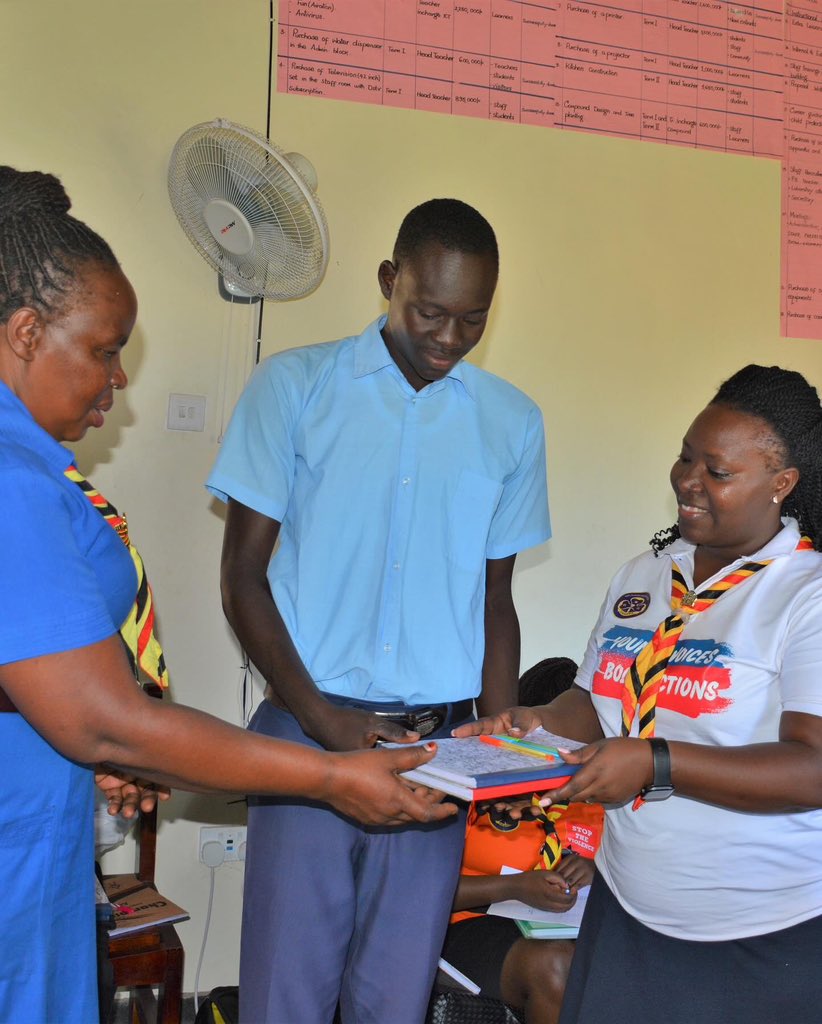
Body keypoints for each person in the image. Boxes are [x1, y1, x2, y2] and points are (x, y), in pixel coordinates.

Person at [0, 165, 458, 1024]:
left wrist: (102, 732)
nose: (118, 379)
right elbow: (104, 718)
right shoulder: (11, 479)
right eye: (103, 350)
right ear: (26, 332)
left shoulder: (30, 468)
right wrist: (329, 776)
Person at [206, 198, 551, 1024]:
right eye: (430, 311)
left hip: (437, 753)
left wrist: (501, 744)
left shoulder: (511, 423)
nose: (450, 337)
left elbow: (496, 600)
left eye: (473, 319)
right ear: (389, 280)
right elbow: (243, 579)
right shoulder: (295, 387)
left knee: (393, 1001)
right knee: (285, 997)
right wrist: (323, 721)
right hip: (304, 731)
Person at [456, 364, 822, 1024]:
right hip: (626, 911)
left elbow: (813, 768)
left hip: (761, 930)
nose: (688, 480)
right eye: (685, 457)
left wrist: (656, 763)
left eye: (717, 471)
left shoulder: (806, 595)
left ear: (782, 483)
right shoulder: (645, 576)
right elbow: (593, 704)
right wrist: (529, 724)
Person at [440, 659, 603, 1024]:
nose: (563, 755)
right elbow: (423, 892)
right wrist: (514, 887)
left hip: (571, 931)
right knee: (554, 967)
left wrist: (597, 871)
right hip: (467, 925)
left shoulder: (602, 800)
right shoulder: (478, 794)